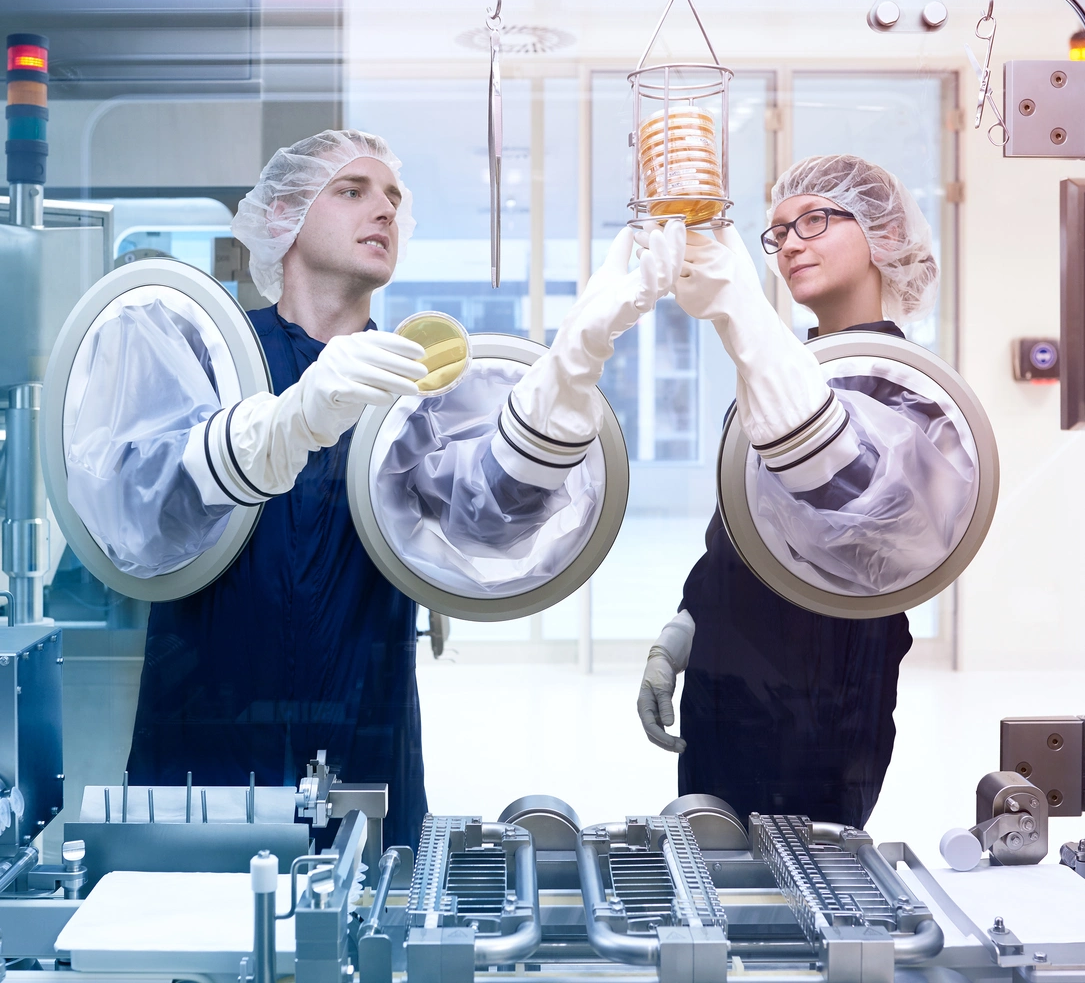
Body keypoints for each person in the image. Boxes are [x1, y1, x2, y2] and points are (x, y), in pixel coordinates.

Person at [63, 129, 682, 849]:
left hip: (362, 745)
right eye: (352, 191)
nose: (383, 210)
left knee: (359, 940)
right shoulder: (213, 355)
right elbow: (136, 509)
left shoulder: (416, 390)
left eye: (392, 198)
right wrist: (284, 423)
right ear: (283, 219)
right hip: (205, 743)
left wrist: (574, 361)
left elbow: (491, 515)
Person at [636, 154, 976, 829]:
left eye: (815, 220)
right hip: (723, 682)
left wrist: (740, 316)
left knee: (803, 906)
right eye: (779, 231)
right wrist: (681, 632)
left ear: (883, 235)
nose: (791, 242)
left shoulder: (907, 392)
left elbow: (861, 511)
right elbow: (734, 531)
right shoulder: (783, 368)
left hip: (822, 703)